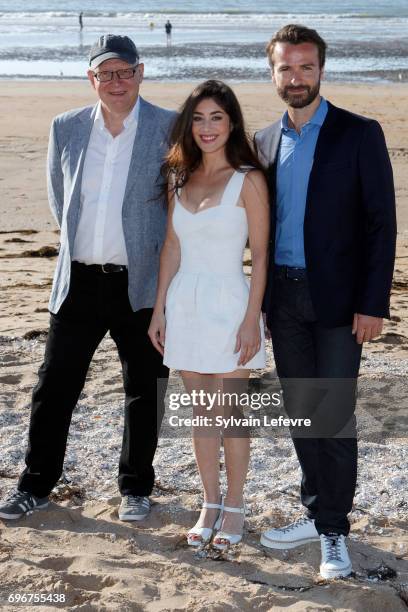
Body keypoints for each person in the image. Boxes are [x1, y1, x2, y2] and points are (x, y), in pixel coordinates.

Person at [0, 34, 176, 523]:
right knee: (53, 386)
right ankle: (34, 485)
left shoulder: (169, 127)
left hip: (140, 283)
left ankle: (136, 486)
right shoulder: (67, 126)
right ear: (91, 78)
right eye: (106, 73)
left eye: (125, 71)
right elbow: (61, 198)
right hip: (77, 281)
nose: (116, 82)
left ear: (140, 73)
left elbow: (177, 204)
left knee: (145, 387)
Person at [255, 24, 396, 578]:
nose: (296, 77)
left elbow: (381, 225)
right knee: (300, 412)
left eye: (306, 67)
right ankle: (317, 514)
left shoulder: (359, 133)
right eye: (286, 68)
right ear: (273, 73)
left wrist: (373, 303)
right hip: (283, 299)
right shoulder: (264, 141)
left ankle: (335, 531)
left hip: (340, 303)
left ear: (321, 70)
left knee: (331, 416)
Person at [148, 80, 269, 548]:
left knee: (233, 414)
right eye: (198, 118)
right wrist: (159, 310)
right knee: (202, 413)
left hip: (232, 303)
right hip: (185, 303)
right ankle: (210, 502)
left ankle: (235, 506)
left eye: (216, 117)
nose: (207, 127)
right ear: (188, 125)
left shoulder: (249, 179)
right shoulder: (178, 177)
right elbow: (171, 248)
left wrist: (251, 318)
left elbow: (259, 256)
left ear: (232, 122)